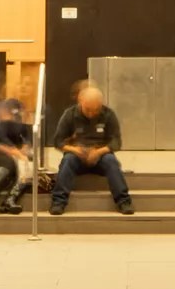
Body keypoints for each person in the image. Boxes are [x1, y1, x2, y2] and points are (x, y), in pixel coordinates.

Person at [48, 81, 134, 215]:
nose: (91, 113)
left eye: (96, 110)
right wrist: (75, 150)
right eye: (88, 109)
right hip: (77, 155)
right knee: (68, 160)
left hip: (101, 155)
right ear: (80, 102)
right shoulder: (69, 115)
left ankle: (123, 201)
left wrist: (99, 152)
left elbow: (116, 142)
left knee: (111, 161)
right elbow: (58, 141)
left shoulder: (109, 115)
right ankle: (58, 202)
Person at [0, 96, 35, 214]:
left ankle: (11, 199)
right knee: (7, 163)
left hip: (12, 155)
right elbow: (1, 143)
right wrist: (18, 154)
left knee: (26, 170)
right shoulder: (2, 124)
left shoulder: (21, 124)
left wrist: (25, 149)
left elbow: (27, 140)